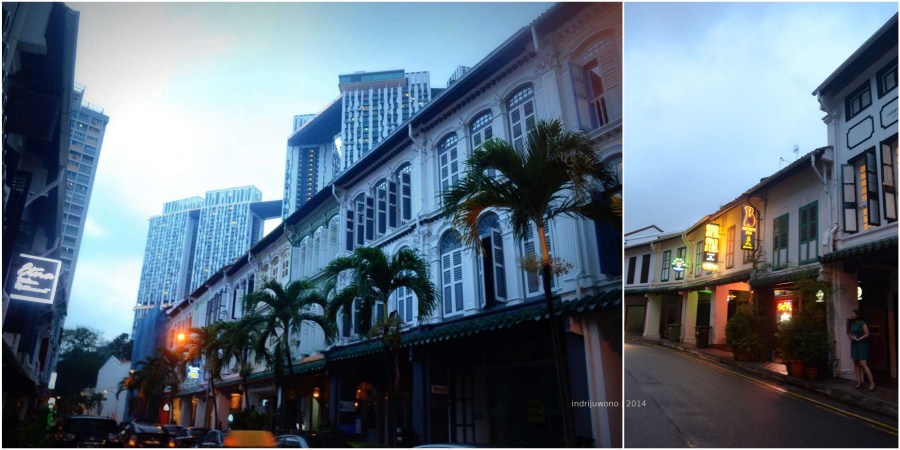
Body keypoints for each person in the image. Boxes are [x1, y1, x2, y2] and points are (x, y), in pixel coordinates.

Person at [848, 309, 875, 391]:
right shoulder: (852, 323)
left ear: (857, 315)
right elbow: (850, 333)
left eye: (853, 313)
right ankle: (859, 382)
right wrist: (851, 337)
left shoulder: (862, 323)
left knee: (863, 364)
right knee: (856, 363)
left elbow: (867, 334)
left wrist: (859, 339)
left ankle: (872, 383)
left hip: (862, 344)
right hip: (854, 344)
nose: (851, 315)